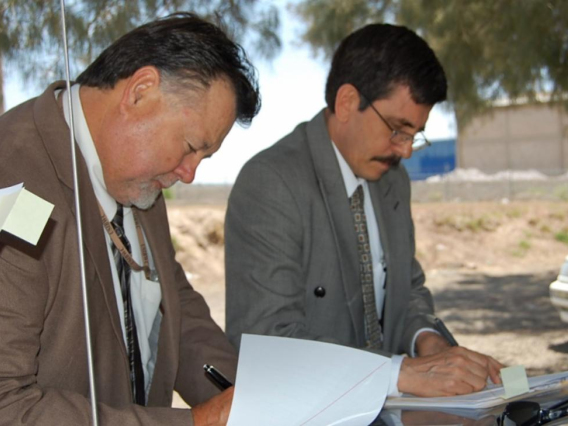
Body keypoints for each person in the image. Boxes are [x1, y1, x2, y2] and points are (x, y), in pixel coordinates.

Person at [0, 13, 259, 426]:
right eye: (191, 146)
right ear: (140, 92)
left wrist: (251, 399)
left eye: (202, 159)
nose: (189, 174)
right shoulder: (13, 181)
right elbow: (6, 404)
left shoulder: (138, 179)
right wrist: (194, 423)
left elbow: (174, 306)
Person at [225, 23, 503, 397]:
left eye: (414, 134)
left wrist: (427, 342)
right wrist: (400, 374)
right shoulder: (272, 182)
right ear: (346, 102)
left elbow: (408, 286)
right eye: (397, 129)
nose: (405, 150)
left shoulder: (393, 179)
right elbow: (266, 341)